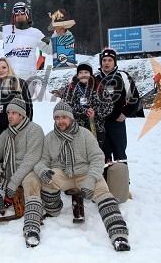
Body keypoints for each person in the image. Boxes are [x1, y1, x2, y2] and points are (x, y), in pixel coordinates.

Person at [33, 101, 130, 251]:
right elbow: (42, 160)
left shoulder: (84, 134)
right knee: (47, 178)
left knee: (104, 194)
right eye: (57, 117)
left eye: (64, 117)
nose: (60, 121)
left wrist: (91, 179)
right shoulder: (50, 138)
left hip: (85, 173)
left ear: (71, 118)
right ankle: (53, 209)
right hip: (63, 173)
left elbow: (98, 158)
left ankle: (118, 236)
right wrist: (41, 170)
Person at [0, 97, 45, 247]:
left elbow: (31, 160)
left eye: (14, 113)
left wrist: (13, 183)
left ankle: (32, 226)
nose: (10, 116)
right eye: (8, 113)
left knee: (31, 182)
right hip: (9, 169)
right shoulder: (7, 132)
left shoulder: (34, 130)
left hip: (28, 171)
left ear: (22, 115)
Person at [0, 0, 52, 85]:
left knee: (24, 98)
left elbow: (49, 50)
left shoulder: (36, 33)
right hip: (10, 76)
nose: (19, 16)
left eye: (22, 14)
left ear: (27, 15)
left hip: (28, 78)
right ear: (14, 17)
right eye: (17, 15)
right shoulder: (7, 30)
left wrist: (59, 35)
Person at [95, 48, 140, 166]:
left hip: (117, 123)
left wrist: (125, 113)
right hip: (101, 124)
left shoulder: (123, 77)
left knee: (120, 155)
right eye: (104, 60)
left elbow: (134, 98)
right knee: (103, 156)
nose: (106, 63)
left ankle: (122, 182)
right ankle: (105, 182)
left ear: (115, 62)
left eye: (110, 60)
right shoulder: (95, 79)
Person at [53, 62, 113, 147]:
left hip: (96, 128)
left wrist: (95, 112)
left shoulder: (100, 88)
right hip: (75, 129)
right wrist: (84, 111)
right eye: (80, 73)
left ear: (90, 74)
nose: (83, 75)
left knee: (94, 155)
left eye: (86, 72)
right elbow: (65, 107)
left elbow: (109, 106)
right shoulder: (70, 88)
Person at [0, 57, 32, 139]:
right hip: (1, 129)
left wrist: (28, 126)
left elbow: (29, 107)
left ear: (9, 68)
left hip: (17, 128)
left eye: (4, 67)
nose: (1, 70)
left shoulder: (19, 83)